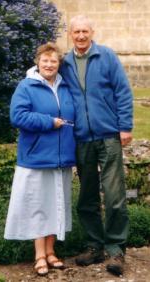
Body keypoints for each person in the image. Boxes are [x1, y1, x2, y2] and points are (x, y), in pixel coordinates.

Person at [60, 15, 133, 276]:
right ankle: (94, 246)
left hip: (109, 135)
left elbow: (123, 91)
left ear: (92, 32)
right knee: (87, 196)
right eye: (76, 32)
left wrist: (125, 126)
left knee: (114, 196)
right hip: (81, 138)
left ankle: (115, 249)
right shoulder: (65, 62)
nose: (80, 36)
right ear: (70, 34)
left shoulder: (107, 56)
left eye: (84, 31)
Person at [4, 42, 76, 276]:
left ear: (58, 64)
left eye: (53, 61)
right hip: (36, 158)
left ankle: (52, 251)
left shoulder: (65, 87)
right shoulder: (27, 86)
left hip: (61, 159)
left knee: (56, 205)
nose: (49, 64)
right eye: (45, 60)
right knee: (39, 207)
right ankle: (39, 256)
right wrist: (49, 122)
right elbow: (18, 116)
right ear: (38, 62)